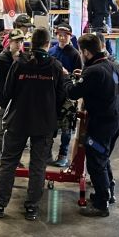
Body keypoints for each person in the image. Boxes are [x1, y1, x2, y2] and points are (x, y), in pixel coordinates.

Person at [0, 28, 67, 221]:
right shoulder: (55, 66)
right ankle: (32, 207)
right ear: (48, 44)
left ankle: (0, 204)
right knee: (38, 165)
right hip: (44, 123)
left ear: (30, 43)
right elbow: (61, 96)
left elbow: (7, 91)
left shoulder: (19, 65)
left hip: (18, 120)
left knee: (8, 162)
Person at [66, 33, 119, 217]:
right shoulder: (113, 65)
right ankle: (109, 193)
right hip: (115, 120)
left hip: (101, 124)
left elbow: (73, 92)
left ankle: (101, 204)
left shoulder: (93, 71)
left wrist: (66, 78)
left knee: (96, 162)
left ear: (86, 52)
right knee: (104, 156)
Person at [0, 28, 25, 175]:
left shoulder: (22, 57)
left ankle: (13, 159)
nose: (19, 44)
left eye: (21, 41)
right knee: (0, 132)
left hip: (18, 102)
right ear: (10, 42)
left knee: (16, 134)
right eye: (16, 41)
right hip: (5, 102)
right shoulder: (3, 58)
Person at [48, 24, 83, 167]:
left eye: (65, 35)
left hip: (68, 96)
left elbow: (78, 75)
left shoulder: (75, 54)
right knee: (49, 125)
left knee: (66, 128)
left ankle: (63, 154)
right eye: (59, 34)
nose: (62, 37)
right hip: (51, 94)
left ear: (71, 36)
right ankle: (46, 153)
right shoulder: (51, 51)